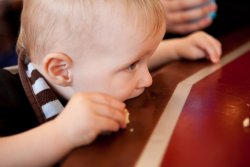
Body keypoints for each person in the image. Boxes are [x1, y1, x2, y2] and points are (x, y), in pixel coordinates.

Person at [0, 0, 221, 166]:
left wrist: (176, 48)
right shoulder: (7, 94)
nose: (148, 78)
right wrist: (62, 133)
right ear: (60, 70)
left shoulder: (85, 66)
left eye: (146, 60)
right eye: (132, 66)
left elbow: (127, 55)